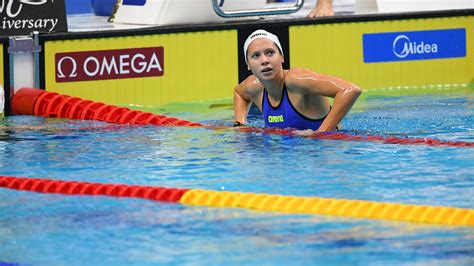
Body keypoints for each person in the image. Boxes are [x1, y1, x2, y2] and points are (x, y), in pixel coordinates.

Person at [233, 29, 361, 132]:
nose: (264, 60)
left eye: (270, 53)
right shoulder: (254, 86)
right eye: (256, 56)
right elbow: (239, 92)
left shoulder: (296, 80)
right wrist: (240, 124)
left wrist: (320, 133)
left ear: (282, 57)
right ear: (248, 64)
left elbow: (350, 90)